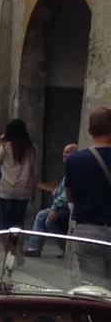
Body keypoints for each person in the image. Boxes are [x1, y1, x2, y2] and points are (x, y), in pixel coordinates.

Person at [66, 108, 111, 279]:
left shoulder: (75, 160)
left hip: (89, 230)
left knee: (94, 291)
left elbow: (70, 195)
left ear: (90, 131)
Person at [24, 143, 77, 255]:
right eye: (64, 152)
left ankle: (37, 248)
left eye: (68, 152)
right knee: (45, 217)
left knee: (44, 217)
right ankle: (36, 248)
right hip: (65, 206)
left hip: (69, 208)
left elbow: (66, 194)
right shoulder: (69, 169)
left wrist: (55, 208)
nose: (64, 155)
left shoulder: (74, 168)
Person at [0, 118, 37, 235]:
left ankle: (9, 250)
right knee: (18, 223)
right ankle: (17, 247)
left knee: (7, 223)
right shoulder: (30, 148)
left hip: (6, 188)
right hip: (24, 190)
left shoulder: (6, 146)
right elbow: (33, 171)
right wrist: (33, 190)